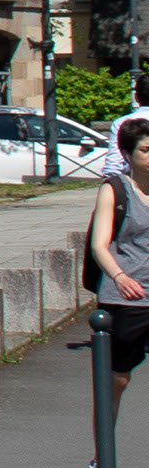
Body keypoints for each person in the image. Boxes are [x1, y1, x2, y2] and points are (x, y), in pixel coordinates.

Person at [82, 114, 149, 418]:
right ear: (127, 155)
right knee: (118, 378)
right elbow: (99, 245)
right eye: (146, 150)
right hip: (126, 298)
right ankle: (103, 459)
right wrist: (119, 277)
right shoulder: (115, 189)